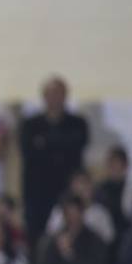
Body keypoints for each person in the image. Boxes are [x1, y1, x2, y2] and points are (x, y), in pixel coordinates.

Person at [19, 75, 89, 244]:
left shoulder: (78, 124)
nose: (54, 98)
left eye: (58, 93)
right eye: (50, 93)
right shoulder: (30, 125)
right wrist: (59, 144)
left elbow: (75, 147)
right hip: (37, 195)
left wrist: (45, 143)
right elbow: (29, 152)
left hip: (66, 193)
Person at [44, 169, 115, 246]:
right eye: (78, 184)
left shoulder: (100, 212)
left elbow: (109, 238)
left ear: (91, 186)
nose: (81, 188)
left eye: (85, 184)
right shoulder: (59, 210)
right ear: (71, 187)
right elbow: (51, 234)